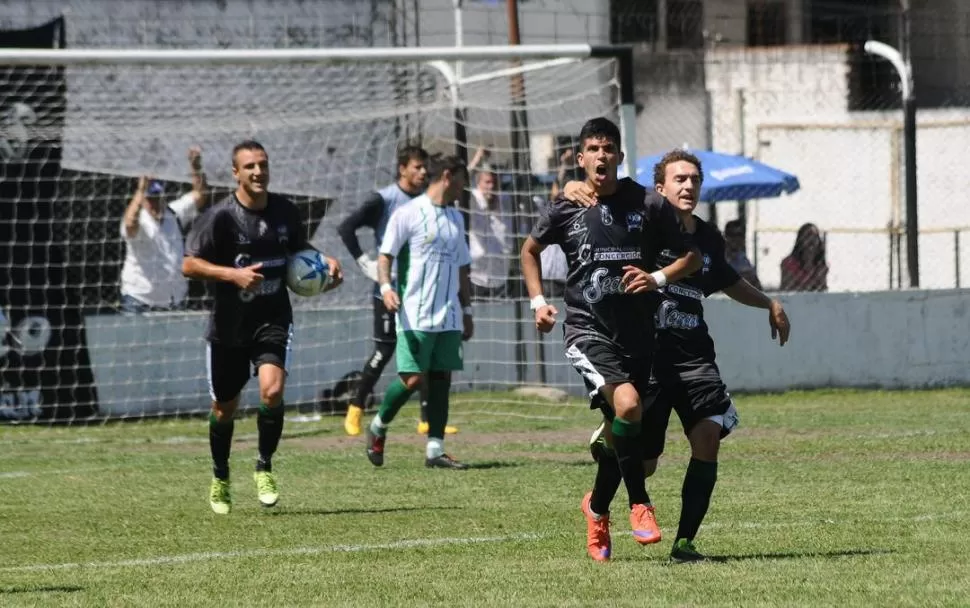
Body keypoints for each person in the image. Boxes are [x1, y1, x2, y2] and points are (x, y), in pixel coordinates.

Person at [567, 149, 791, 563]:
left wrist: (769, 304)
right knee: (644, 464)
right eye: (679, 180)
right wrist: (571, 185)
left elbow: (728, 280)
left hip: (693, 357)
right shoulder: (639, 229)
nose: (688, 186)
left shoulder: (706, 238)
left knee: (707, 438)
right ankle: (597, 503)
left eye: (693, 180)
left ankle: (685, 543)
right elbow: (597, 206)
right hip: (646, 358)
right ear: (659, 189)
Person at [519, 117, 702, 562]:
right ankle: (640, 506)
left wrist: (657, 277)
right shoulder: (566, 206)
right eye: (593, 149)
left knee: (626, 441)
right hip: (586, 328)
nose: (602, 155)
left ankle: (596, 508)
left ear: (620, 157)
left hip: (639, 335)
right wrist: (538, 302)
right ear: (580, 158)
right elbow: (528, 251)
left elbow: (693, 257)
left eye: (609, 148)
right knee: (628, 407)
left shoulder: (646, 202)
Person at [183, 140, 343, 515]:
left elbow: (299, 250)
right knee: (224, 408)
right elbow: (189, 265)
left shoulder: (285, 211)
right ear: (236, 173)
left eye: (263, 165)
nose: (258, 172)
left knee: (272, 392)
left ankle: (263, 466)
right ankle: (221, 476)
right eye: (250, 166)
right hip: (228, 327)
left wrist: (324, 263)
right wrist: (232, 275)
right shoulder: (221, 217)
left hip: (272, 318)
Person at [364, 154, 474, 470]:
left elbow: (463, 268)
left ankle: (435, 450)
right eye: (462, 179)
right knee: (412, 378)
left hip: (449, 314)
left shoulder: (456, 217)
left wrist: (467, 309)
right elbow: (385, 256)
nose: (463, 187)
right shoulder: (408, 213)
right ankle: (378, 426)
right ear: (449, 176)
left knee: (441, 379)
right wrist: (386, 289)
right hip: (415, 312)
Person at [338, 146, 456, 437]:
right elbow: (346, 228)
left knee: (427, 353)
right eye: (416, 167)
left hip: (420, 292)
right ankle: (355, 408)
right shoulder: (385, 199)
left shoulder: (428, 202)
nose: (422, 173)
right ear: (402, 168)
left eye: (424, 168)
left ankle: (427, 419)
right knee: (385, 349)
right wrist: (364, 261)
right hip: (389, 290)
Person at [120, 146, 208, 313]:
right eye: (150, 198)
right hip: (140, 303)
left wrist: (196, 167)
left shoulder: (173, 213)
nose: (154, 203)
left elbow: (200, 195)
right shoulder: (138, 219)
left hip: (174, 302)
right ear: (143, 199)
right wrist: (141, 190)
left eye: (157, 197)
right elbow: (130, 225)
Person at [468, 164, 513, 300]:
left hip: (500, 276)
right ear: (478, 183)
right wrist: (477, 160)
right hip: (476, 276)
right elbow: (463, 182)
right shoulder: (472, 200)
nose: (491, 186)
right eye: (487, 182)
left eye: (494, 182)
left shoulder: (504, 200)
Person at [781, 222, 829, 291]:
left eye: (815, 236)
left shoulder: (820, 265)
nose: (811, 240)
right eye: (808, 236)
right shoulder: (789, 263)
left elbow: (822, 289)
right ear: (800, 240)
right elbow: (787, 289)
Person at [723, 219, 762, 289]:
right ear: (725, 236)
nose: (736, 239)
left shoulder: (742, 256)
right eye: (732, 235)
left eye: (739, 235)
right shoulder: (718, 255)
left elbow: (755, 281)